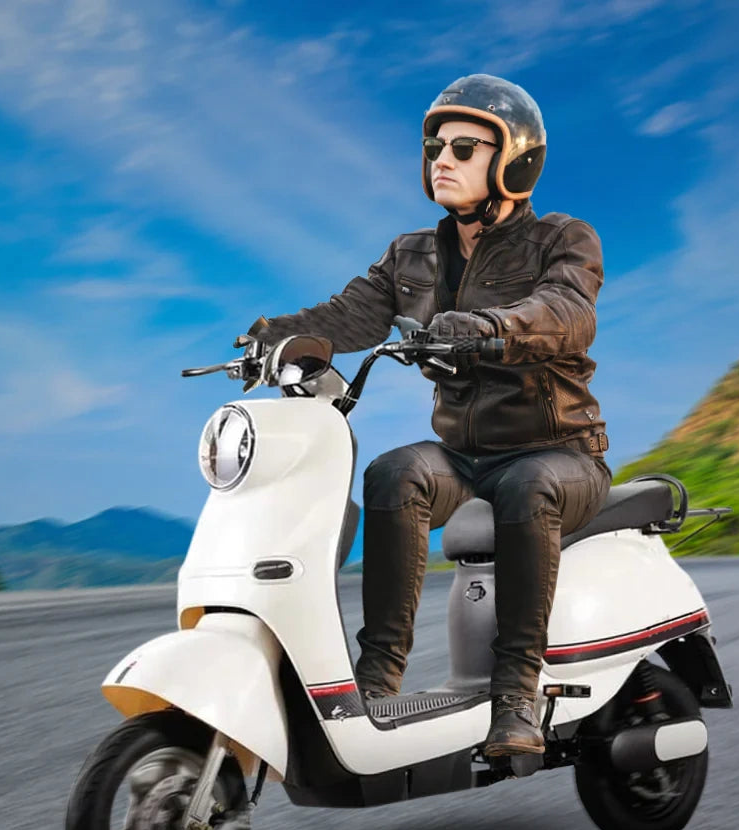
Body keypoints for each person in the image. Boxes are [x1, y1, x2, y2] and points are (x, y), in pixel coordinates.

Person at [252, 74, 611, 756]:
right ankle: (377, 682)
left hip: (562, 454)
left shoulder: (564, 239)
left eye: (466, 148)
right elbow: (345, 315)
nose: (441, 158)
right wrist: (274, 333)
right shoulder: (410, 254)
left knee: (529, 485)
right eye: (435, 145)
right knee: (392, 473)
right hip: (465, 458)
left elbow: (568, 313)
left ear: (515, 160)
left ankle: (515, 696)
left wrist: (487, 326)